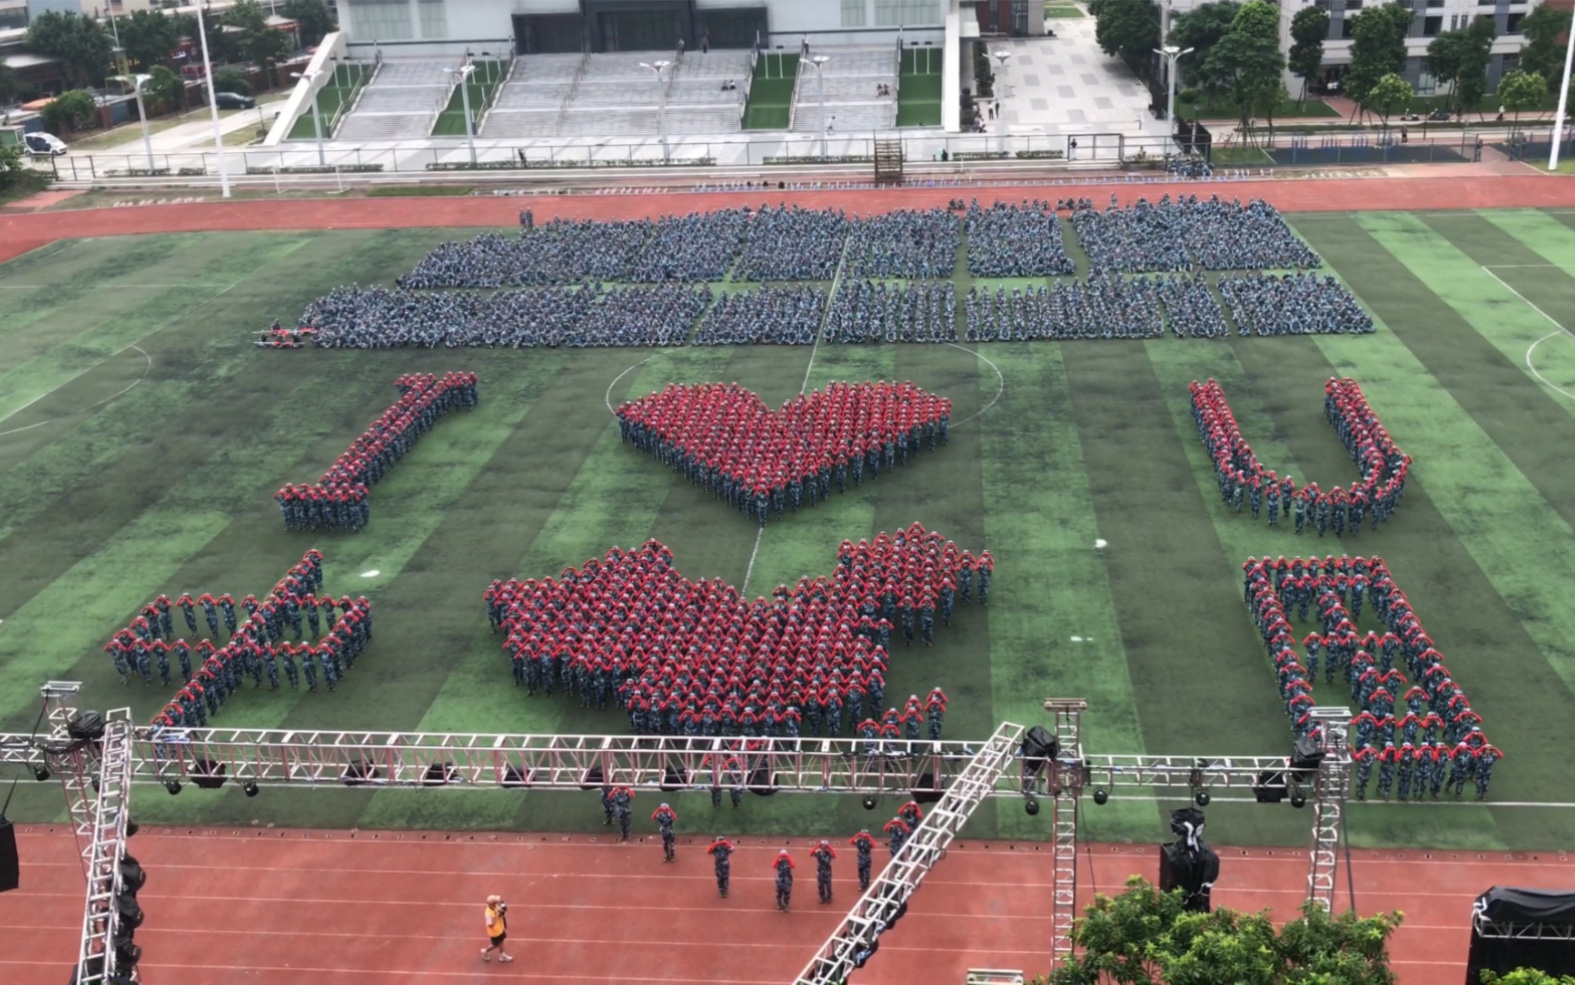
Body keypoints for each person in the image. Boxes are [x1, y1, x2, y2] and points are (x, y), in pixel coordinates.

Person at [481, 895, 513, 962]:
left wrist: (503, 911)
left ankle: (502, 955)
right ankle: (485, 951)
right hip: (494, 932)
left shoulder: (495, 906)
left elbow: (501, 912)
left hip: (500, 928)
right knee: (495, 945)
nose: (497, 903)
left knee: (501, 941)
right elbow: (490, 925)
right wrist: (497, 917)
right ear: (492, 903)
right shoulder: (488, 914)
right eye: (496, 902)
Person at [812, 839, 836, 904]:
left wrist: (829, 847)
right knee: (821, 885)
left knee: (828, 886)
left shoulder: (829, 853)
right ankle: (822, 897)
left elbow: (834, 855)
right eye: (822, 847)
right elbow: (811, 853)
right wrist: (818, 845)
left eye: (825, 847)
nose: (823, 848)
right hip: (820, 872)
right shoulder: (818, 853)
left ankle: (829, 897)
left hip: (827, 872)